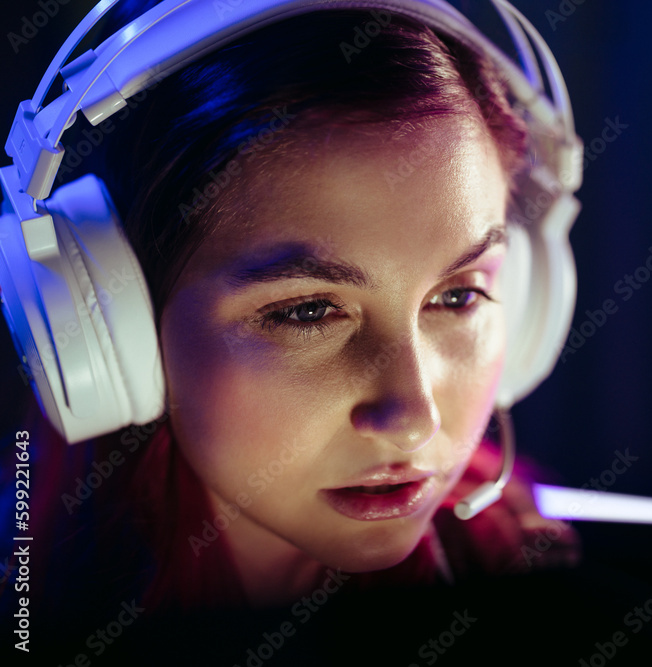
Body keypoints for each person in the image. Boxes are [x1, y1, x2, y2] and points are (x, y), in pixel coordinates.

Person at [0, 0, 582, 626]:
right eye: (307, 311)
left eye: (458, 297)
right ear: (114, 322)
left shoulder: (541, 582)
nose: (413, 422)